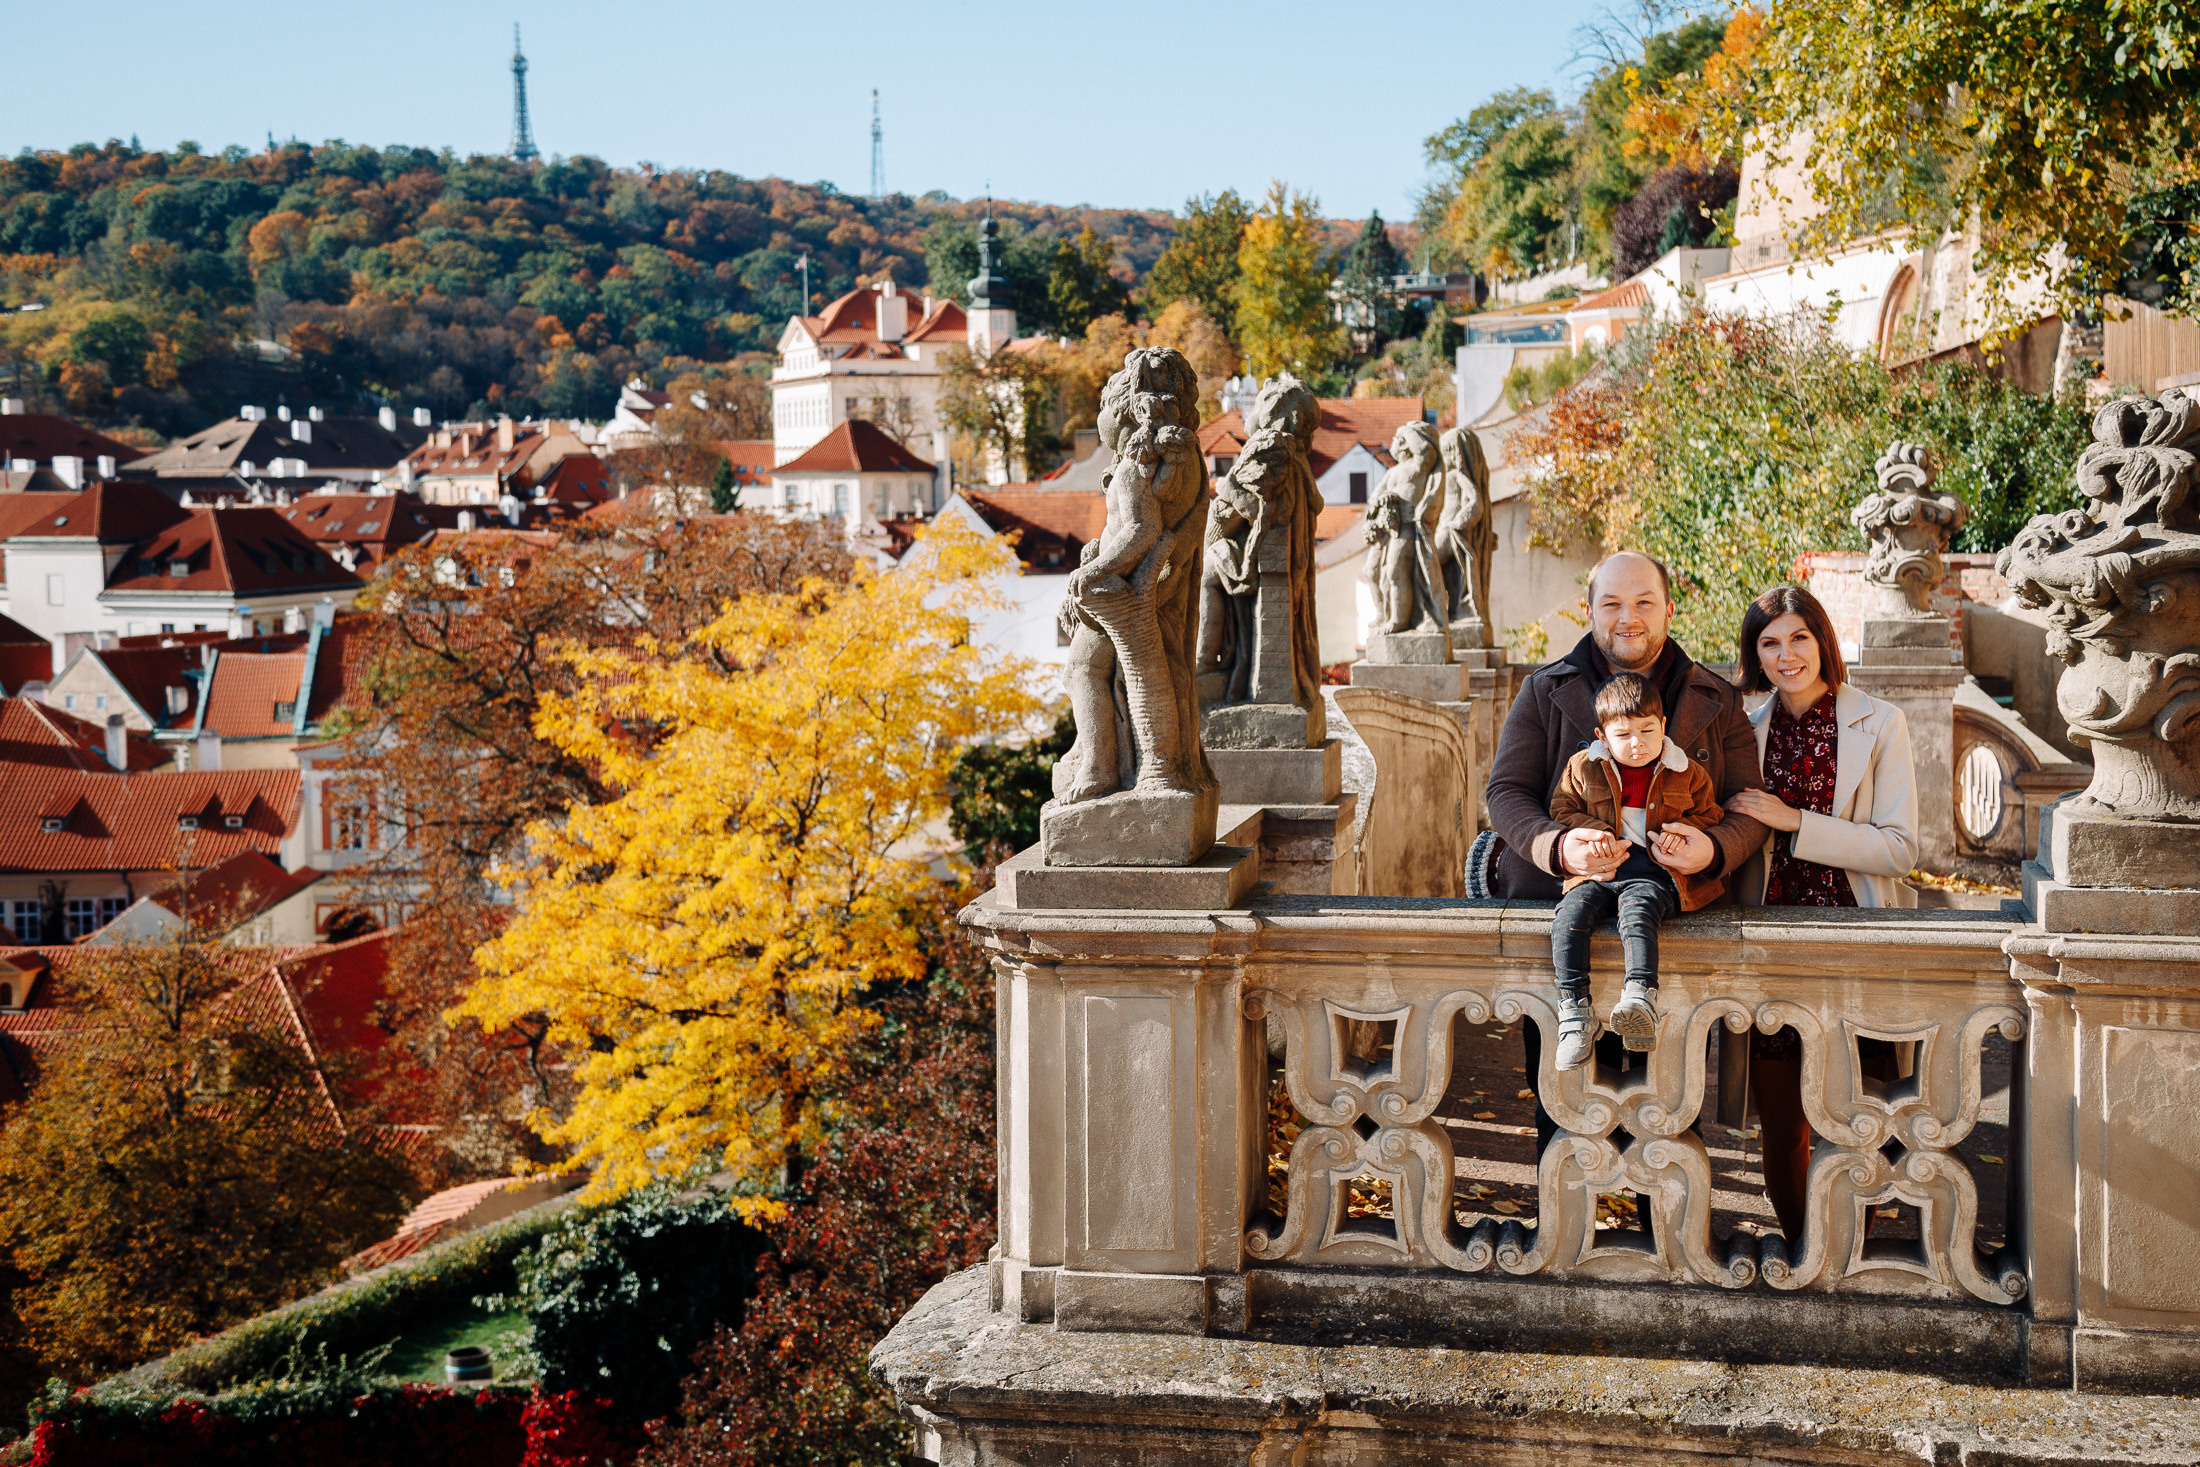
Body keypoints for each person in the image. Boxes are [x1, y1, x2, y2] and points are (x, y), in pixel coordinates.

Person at [1476, 552, 1770, 1117]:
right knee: (1564, 1110)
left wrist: (1711, 850)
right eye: (1611, 603)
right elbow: (1505, 793)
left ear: (1669, 610)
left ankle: (1654, 1211)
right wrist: (1559, 847)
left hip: (1675, 926)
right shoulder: (1544, 690)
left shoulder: (1717, 697)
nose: (1627, 617)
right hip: (1562, 918)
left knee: (1663, 1111)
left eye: (1643, 603)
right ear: (1589, 612)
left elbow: (1748, 808)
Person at [1721, 583, 1918, 1243]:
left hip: (1854, 941)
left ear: (1822, 639)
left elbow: (1898, 848)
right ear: (1755, 654)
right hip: (1771, 948)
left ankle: (1850, 1251)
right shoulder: (1744, 733)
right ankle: (1806, 1255)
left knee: (1861, 1116)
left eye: (1798, 637)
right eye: (1769, 643)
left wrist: (1794, 820)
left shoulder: (1880, 722)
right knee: (1782, 1121)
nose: (1785, 655)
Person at [1547, 673, 1727, 1069]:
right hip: (1598, 871)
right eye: (1624, 733)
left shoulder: (1686, 772)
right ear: (1602, 734)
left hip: (1655, 872)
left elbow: (1710, 813)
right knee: (1569, 918)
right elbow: (1561, 808)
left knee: (1638, 913)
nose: (1637, 742)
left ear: (1663, 726)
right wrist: (1593, 833)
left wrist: (1685, 835)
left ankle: (1640, 995)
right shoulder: (1584, 767)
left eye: (1648, 730)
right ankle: (1575, 1012)